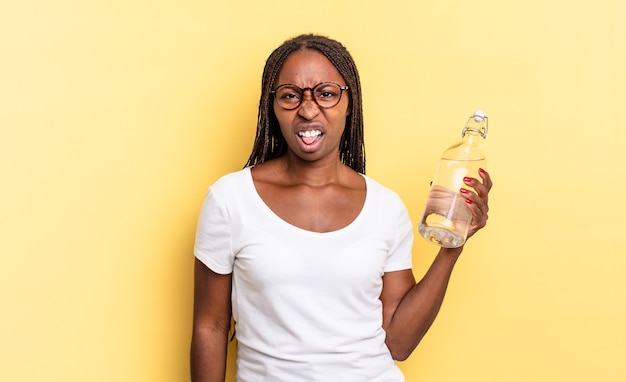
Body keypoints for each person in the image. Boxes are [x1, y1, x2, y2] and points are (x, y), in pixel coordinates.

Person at [190, 34, 492, 382]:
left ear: (350, 103)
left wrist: (453, 246)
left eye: (327, 93)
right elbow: (209, 326)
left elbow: (399, 343)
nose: (307, 108)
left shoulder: (385, 207)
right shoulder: (230, 200)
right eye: (290, 95)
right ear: (271, 106)